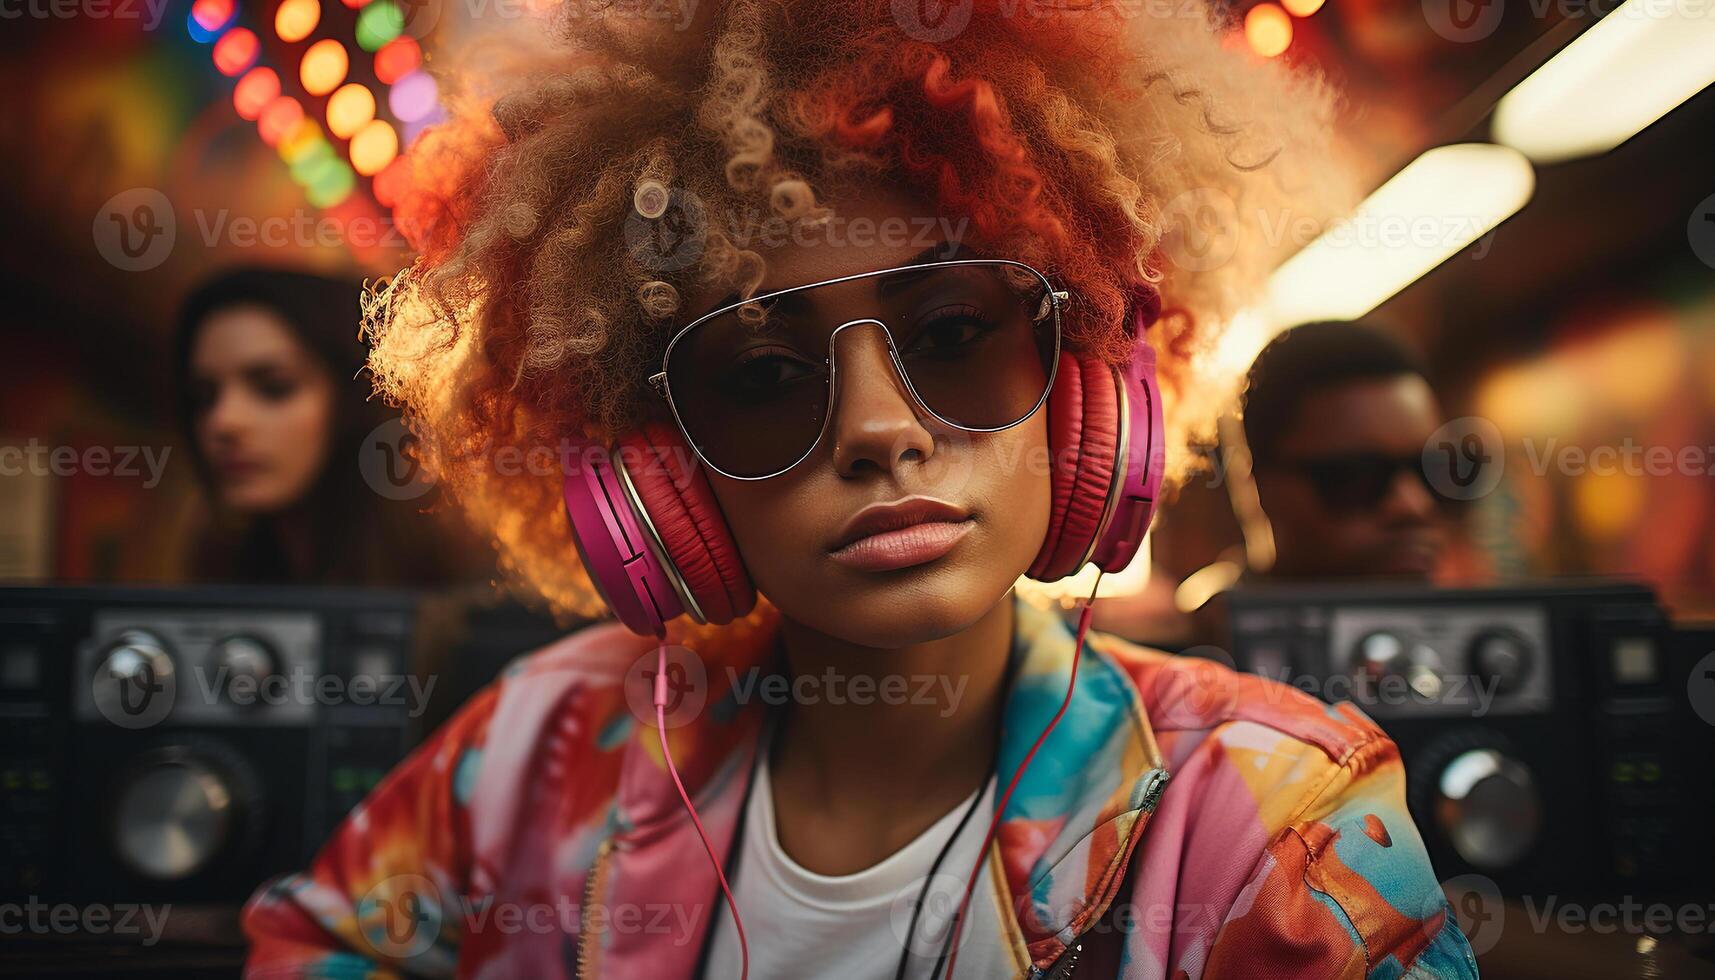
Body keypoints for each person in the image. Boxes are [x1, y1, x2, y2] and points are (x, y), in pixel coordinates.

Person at [240, 5, 1477, 978]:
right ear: (655, 472)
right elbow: (314, 941)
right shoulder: (532, 753)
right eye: (766, 372)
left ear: (1090, 381)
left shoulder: (1267, 816)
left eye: (950, 331)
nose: (881, 432)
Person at [175, 265, 492, 587]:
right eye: (203, 397)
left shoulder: (475, 586)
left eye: (274, 388)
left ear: (356, 399)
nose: (222, 421)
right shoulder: (216, 578)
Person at [1243, 320, 1456, 582]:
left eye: (1434, 470)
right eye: (1359, 476)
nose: (1414, 506)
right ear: (1264, 487)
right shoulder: (1212, 621)